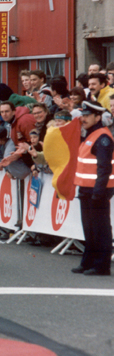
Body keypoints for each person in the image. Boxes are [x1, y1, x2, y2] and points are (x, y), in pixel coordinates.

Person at [72, 101, 113, 276]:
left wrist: (99, 191)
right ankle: (88, 261)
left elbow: (105, 167)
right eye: (83, 115)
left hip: (98, 190)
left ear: (97, 117)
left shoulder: (102, 137)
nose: (84, 119)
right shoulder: (91, 135)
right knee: (89, 228)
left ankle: (101, 266)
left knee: (100, 229)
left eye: (88, 116)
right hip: (86, 189)